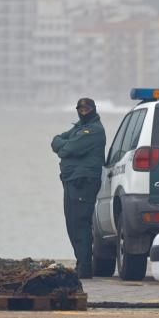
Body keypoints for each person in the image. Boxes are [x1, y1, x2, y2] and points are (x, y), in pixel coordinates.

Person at [51, 97, 106, 278]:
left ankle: (84, 268)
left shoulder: (93, 130)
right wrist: (63, 144)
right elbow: (56, 139)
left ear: (93, 110)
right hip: (72, 181)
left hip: (83, 183)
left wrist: (63, 146)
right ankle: (82, 264)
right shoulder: (79, 128)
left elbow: (66, 149)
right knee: (72, 224)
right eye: (80, 109)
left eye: (86, 109)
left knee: (80, 225)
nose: (83, 112)